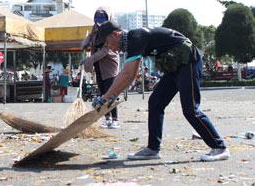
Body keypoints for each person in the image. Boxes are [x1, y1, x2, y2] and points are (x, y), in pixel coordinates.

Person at [92, 21, 229, 162]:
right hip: (175, 66)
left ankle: (220, 147)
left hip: (188, 63)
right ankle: (153, 149)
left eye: (107, 42)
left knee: (190, 110)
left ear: (115, 34)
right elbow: (128, 74)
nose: (109, 47)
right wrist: (110, 96)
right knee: (156, 102)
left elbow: (128, 74)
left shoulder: (135, 37)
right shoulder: (132, 41)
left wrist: (106, 97)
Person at [82, 7, 120, 129]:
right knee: (103, 93)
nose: (99, 20)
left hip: (109, 67)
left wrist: (90, 59)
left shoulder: (111, 30)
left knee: (111, 93)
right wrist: (86, 43)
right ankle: (107, 118)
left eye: (102, 18)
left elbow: (105, 50)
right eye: (97, 18)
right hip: (98, 66)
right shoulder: (95, 30)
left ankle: (115, 120)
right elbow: (89, 40)